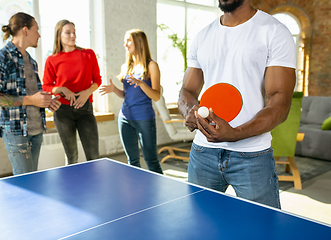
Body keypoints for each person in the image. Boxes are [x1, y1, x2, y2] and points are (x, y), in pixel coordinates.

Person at [178, 0, 296, 208]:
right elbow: (187, 90)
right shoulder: (203, 36)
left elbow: (280, 102)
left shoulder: (274, 32)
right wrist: (190, 112)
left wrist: (235, 133)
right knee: (200, 229)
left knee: (261, 229)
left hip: (252, 155)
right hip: (203, 153)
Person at [0, 12, 61, 175]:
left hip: (36, 130)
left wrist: (47, 101)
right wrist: (31, 100)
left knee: (32, 178)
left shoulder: (31, 62)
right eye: (36, 30)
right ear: (25, 31)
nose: (39, 35)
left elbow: (34, 97)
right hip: (16, 131)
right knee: (25, 183)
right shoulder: (1, 58)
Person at [99, 29, 163, 174]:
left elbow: (156, 96)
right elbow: (127, 95)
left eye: (128, 40)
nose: (125, 44)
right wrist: (114, 89)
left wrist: (141, 83)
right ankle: (135, 193)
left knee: (151, 161)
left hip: (145, 119)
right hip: (125, 119)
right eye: (125, 41)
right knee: (132, 161)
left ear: (139, 42)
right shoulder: (126, 67)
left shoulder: (152, 66)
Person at [42, 20, 101, 165]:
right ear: (59, 36)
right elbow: (46, 86)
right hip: (62, 112)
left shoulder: (88, 54)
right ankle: (72, 186)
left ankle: (96, 186)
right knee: (71, 157)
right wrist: (61, 89)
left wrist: (87, 93)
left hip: (85, 109)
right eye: (68, 33)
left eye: (74, 32)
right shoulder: (52, 60)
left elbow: (97, 80)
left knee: (93, 156)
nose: (73, 35)